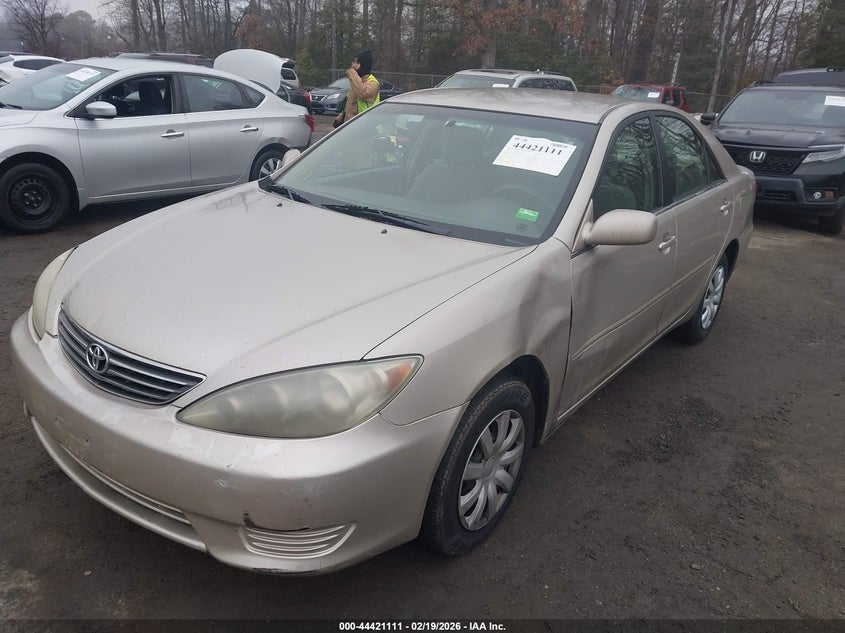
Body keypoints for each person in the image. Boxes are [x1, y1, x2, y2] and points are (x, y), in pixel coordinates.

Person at [333, 50, 380, 128]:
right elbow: (351, 104)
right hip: (353, 125)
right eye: (353, 62)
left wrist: (352, 73)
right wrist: (341, 117)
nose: (354, 65)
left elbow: (363, 93)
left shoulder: (373, 83)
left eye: (357, 63)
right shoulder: (356, 82)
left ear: (364, 65)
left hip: (367, 127)